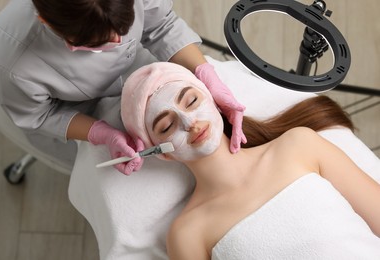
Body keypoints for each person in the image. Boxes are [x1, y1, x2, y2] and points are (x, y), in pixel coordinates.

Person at [120, 62, 380, 259]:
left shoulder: (299, 145)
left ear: (216, 101)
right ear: (163, 153)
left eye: (191, 101)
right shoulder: (188, 233)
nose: (190, 122)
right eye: (167, 126)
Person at [0, 0, 245, 175]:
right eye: (100, 41)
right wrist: (101, 134)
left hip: (145, 67)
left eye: (124, 26)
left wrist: (205, 73)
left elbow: (162, 25)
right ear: (45, 21)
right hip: (76, 111)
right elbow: (40, 115)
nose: (118, 40)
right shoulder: (11, 61)